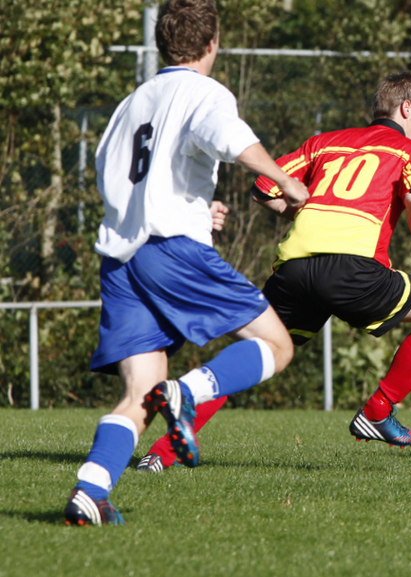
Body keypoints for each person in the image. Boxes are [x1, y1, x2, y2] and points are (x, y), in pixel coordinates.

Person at [134, 71, 411, 469]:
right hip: (354, 271)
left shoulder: (325, 142)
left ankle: (160, 454)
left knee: (255, 353)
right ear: (406, 108)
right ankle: (379, 409)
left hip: (293, 269)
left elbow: (264, 187)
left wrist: (304, 213)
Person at [64, 0, 309, 525]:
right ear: (212, 43)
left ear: (162, 44)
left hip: (121, 259)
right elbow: (232, 140)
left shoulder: (133, 101)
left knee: (139, 393)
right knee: (277, 345)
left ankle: (91, 491)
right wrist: (285, 180)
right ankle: (186, 393)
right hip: (171, 250)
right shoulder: (204, 91)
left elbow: (120, 175)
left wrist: (198, 208)